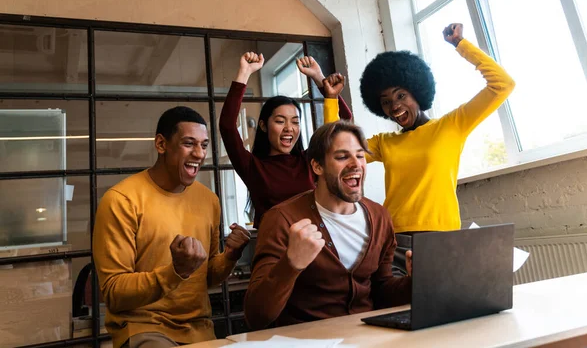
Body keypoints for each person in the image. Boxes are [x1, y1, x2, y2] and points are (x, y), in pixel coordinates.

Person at [358, 23, 516, 273]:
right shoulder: (384, 142)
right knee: (396, 308)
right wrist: (330, 99)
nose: (394, 106)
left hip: (440, 238)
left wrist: (461, 45)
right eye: (386, 102)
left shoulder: (451, 126)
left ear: (417, 92)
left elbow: (502, 85)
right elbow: (340, 150)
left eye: (401, 96)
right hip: (394, 241)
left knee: (442, 308)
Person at [93, 106, 251, 348]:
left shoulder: (209, 200)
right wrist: (175, 271)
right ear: (161, 144)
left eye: (204, 145)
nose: (199, 154)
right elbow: (114, 294)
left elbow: (206, 277)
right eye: (189, 143)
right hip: (144, 328)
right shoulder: (121, 200)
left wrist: (230, 255)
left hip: (200, 329)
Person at [244, 121, 412, 330]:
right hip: (307, 342)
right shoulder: (281, 219)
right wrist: (291, 264)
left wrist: (414, 281)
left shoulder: (380, 216)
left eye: (360, 155)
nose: (355, 164)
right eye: (342, 157)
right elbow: (256, 315)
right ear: (317, 166)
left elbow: (382, 290)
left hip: (368, 339)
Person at [219, 52, 352, 229]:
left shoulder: (310, 161)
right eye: (280, 121)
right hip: (275, 251)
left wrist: (321, 81)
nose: (289, 128)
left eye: (295, 122)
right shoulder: (253, 167)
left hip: (316, 245)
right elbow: (227, 126)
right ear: (264, 126)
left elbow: (344, 124)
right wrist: (244, 72)